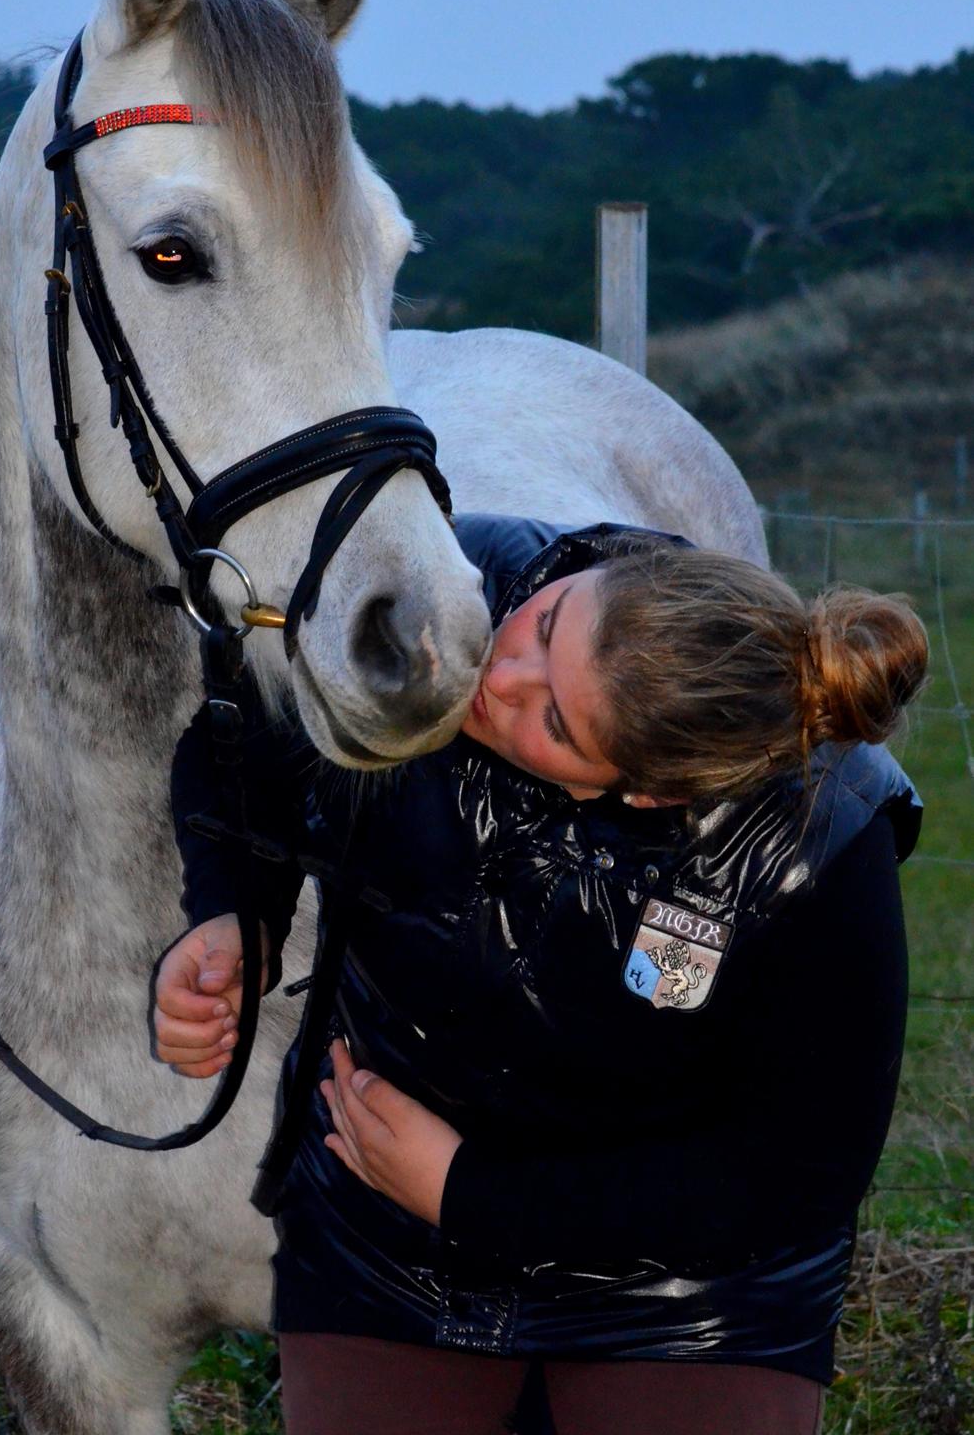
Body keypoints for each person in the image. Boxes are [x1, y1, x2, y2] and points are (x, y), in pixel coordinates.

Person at [151, 516, 927, 1435]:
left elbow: (795, 1170)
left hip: (688, 1291)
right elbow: (249, 741)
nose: (499, 680)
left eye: (554, 720)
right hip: (386, 1244)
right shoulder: (453, 591)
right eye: (549, 625)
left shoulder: (822, 832)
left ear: (650, 793)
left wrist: (469, 1193)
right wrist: (238, 911)